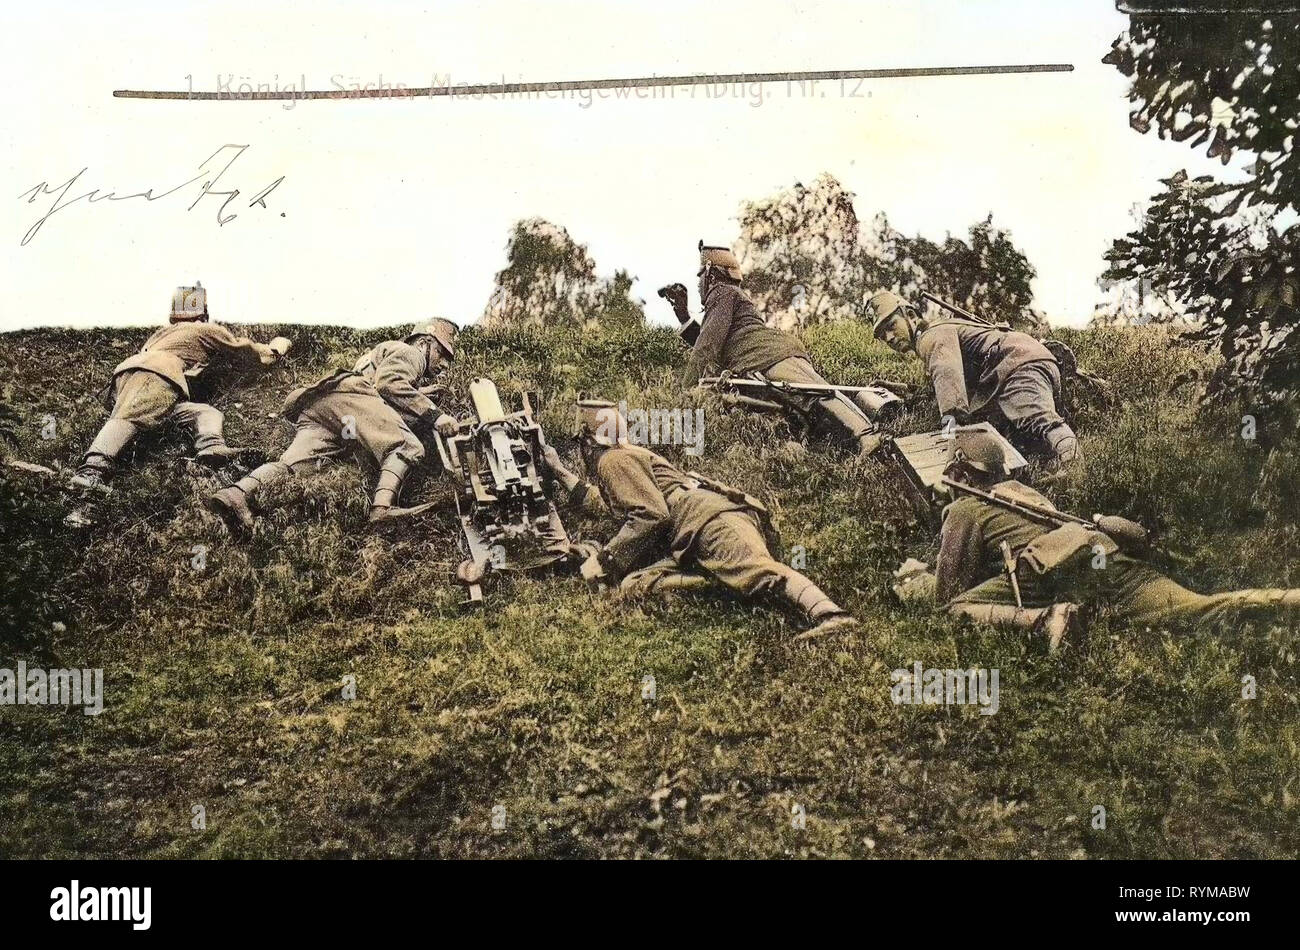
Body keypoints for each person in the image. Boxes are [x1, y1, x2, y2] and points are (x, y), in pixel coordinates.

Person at [936, 429, 1300, 651]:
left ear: (960, 474)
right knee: (1200, 608)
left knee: (955, 611)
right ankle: (1284, 600)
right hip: (1102, 553)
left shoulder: (966, 508)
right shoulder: (1026, 494)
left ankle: (1044, 621)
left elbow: (949, 593)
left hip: (1048, 571)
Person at [539, 398, 859, 639]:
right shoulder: (627, 456)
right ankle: (720, 582)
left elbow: (650, 516)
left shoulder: (613, 460)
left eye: (581, 441)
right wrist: (558, 469)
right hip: (696, 529)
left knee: (756, 567)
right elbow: (606, 503)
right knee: (635, 583)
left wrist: (606, 561)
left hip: (711, 520)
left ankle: (830, 615)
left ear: (590, 440)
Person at [208, 319, 459, 530]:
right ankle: (383, 508)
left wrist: (421, 392)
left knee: (295, 465)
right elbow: (388, 384)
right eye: (442, 353)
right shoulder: (411, 352)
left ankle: (237, 493)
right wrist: (436, 415)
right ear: (425, 342)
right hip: (352, 399)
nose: (444, 364)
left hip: (323, 405)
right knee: (406, 446)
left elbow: (382, 388)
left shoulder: (388, 352)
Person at [663, 240, 882, 456]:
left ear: (710, 273)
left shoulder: (721, 292)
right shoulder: (727, 296)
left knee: (813, 394)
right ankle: (859, 440)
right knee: (806, 404)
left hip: (770, 355)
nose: (698, 283)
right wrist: (683, 315)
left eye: (700, 276)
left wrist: (685, 393)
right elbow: (716, 343)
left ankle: (868, 437)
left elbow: (707, 347)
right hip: (765, 356)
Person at [70, 283, 285, 490]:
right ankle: (92, 470)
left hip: (141, 379)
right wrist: (274, 350)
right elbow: (243, 350)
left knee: (203, 413)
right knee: (132, 415)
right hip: (156, 373)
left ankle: (211, 447)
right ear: (203, 315)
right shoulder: (203, 329)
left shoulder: (161, 334)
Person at [868, 290, 1080, 470]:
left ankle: (1075, 471)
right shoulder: (936, 334)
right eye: (881, 335)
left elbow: (946, 375)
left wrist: (952, 433)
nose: (888, 338)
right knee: (1023, 440)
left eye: (891, 326)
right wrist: (894, 388)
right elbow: (932, 389)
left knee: (1037, 418)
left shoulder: (930, 337)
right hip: (1021, 365)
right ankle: (1057, 459)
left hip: (1017, 366)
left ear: (911, 315)